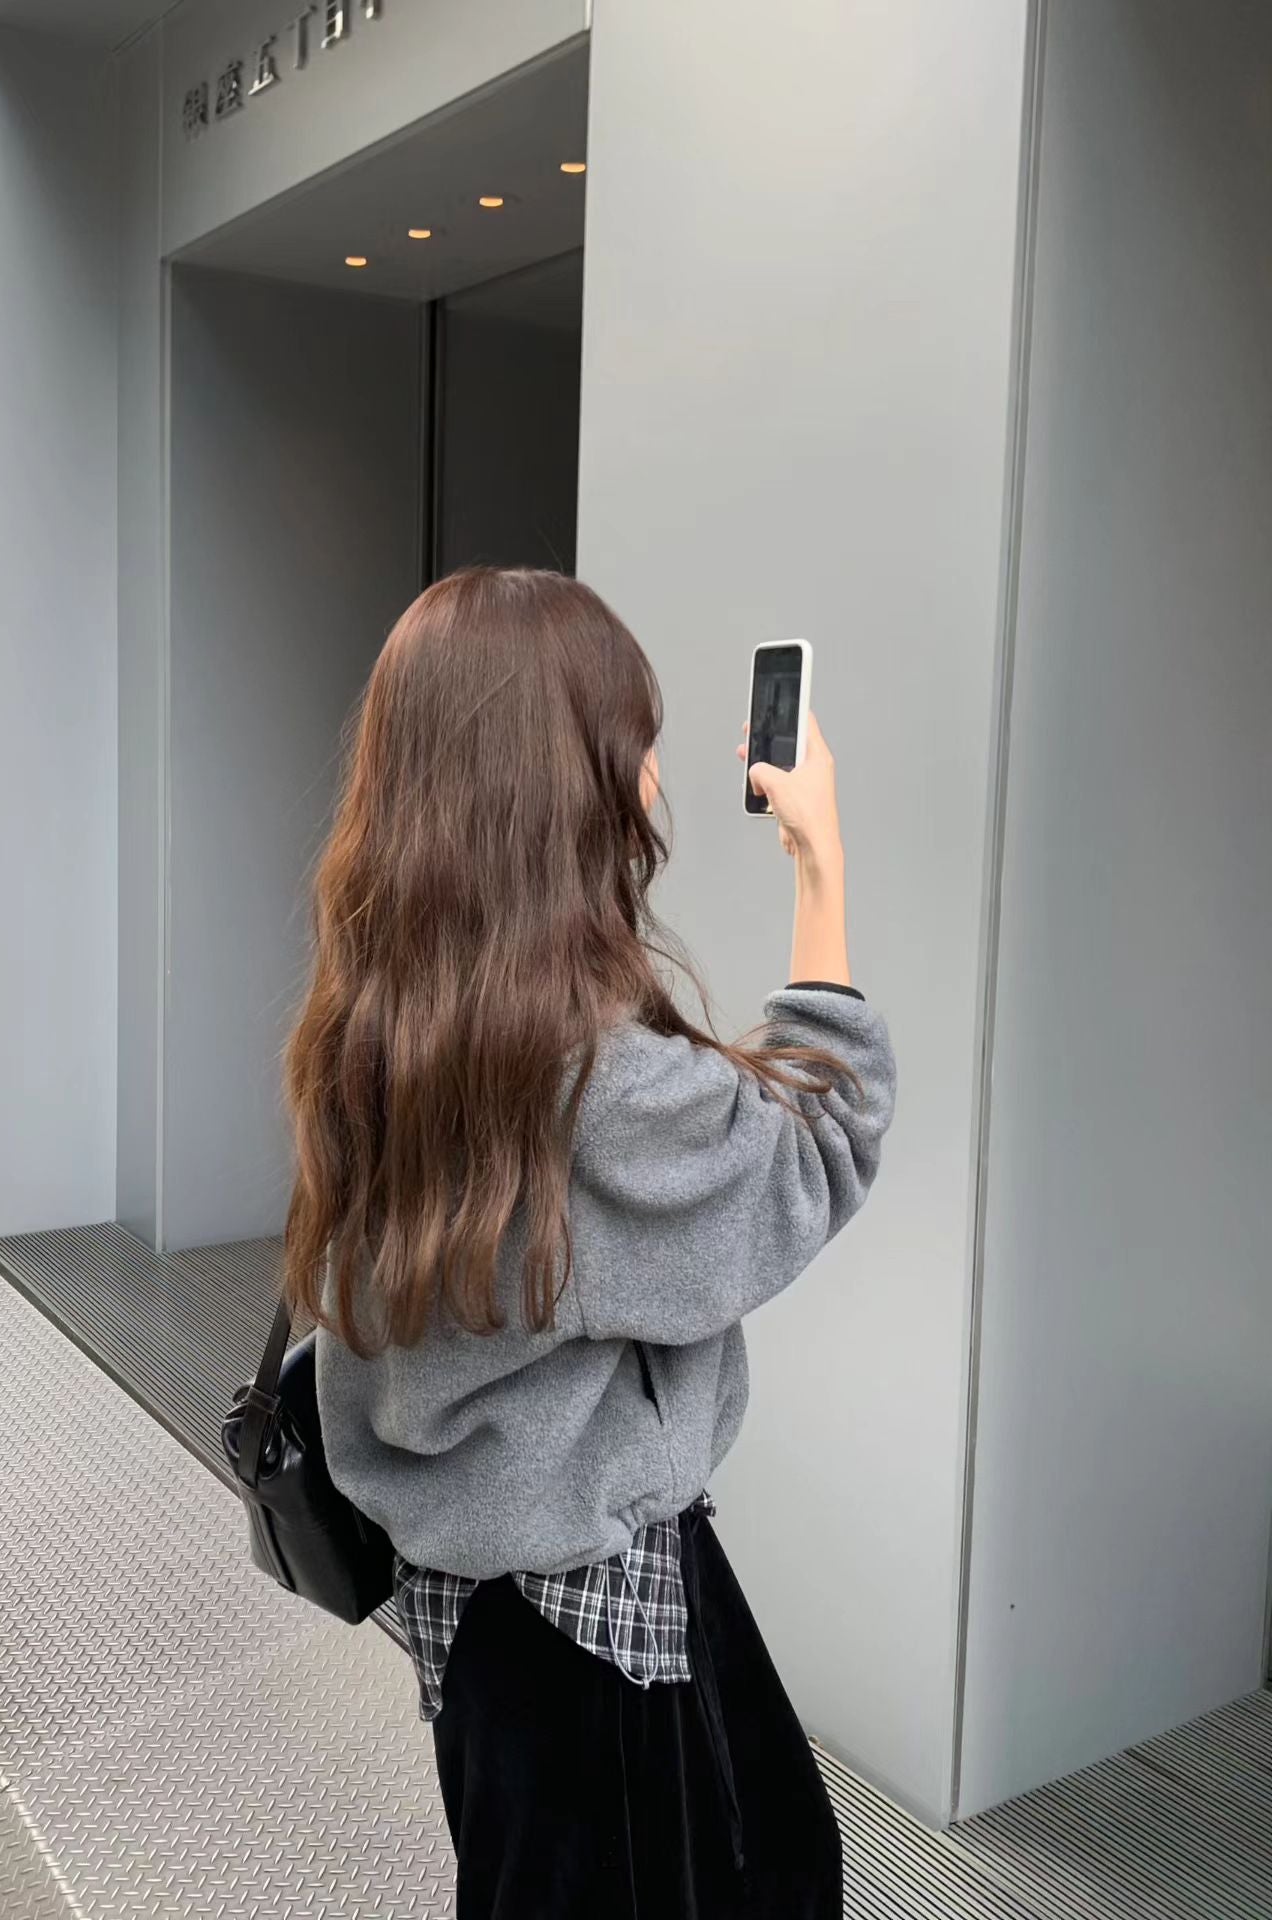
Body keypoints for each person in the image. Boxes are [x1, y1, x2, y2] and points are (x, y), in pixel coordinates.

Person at [282, 567, 895, 1918]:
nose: (655, 780)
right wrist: (821, 865)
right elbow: (813, 1152)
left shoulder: (380, 1019)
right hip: (599, 1620)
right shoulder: (583, 1081)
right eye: (635, 744)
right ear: (566, 783)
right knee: (772, 1872)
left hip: (472, 1606)